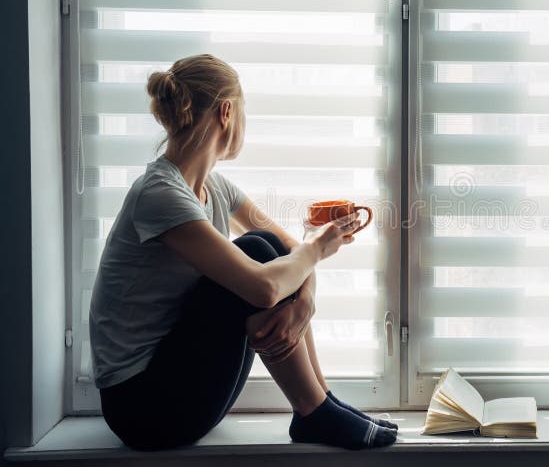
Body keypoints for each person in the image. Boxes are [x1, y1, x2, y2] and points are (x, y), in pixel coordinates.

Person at [89, 54, 397, 451]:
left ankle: (321, 400)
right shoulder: (160, 195)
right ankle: (315, 412)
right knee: (256, 251)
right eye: (245, 109)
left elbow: (290, 248)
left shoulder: (215, 187)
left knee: (267, 248)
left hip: (182, 389)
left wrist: (306, 301)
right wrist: (318, 249)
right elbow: (266, 288)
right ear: (227, 112)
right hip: (144, 409)